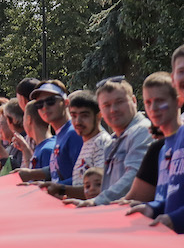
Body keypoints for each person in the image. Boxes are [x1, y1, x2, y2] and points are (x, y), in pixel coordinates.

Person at [70, 78, 153, 206]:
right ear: (101, 111)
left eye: (119, 102)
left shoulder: (143, 131)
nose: (113, 109)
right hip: (116, 215)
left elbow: (134, 177)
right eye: (106, 105)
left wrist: (97, 202)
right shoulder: (112, 142)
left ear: (134, 101)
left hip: (139, 219)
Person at [127, 72, 184, 231]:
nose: (153, 108)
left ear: (178, 101)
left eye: (160, 101)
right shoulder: (162, 149)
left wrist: (175, 219)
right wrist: (151, 208)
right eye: (148, 102)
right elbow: (172, 198)